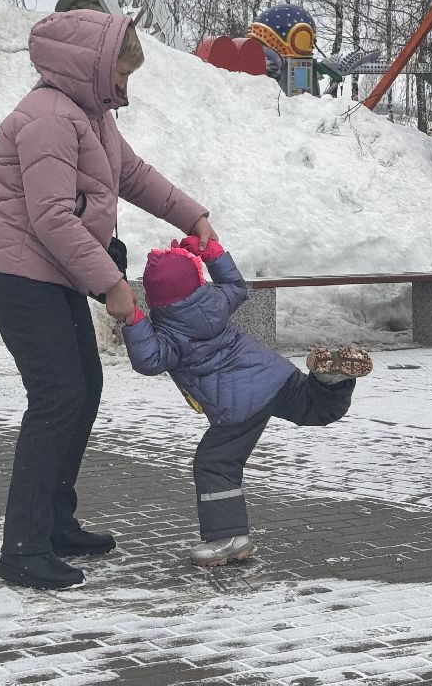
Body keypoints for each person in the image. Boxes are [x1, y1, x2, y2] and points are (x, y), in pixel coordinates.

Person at [0, 9, 217, 591]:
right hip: (16, 274)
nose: (126, 86)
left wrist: (193, 214)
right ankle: (23, 548)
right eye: (123, 74)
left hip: (48, 271)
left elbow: (131, 174)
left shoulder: (89, 114)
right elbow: (51, 218)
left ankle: (54, 523)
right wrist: (112, 283)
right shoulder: (47, 119)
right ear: (92, 66)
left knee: (83, 389)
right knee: (59, 397)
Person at [124, 236, 373, 565]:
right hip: (272, 375)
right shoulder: (216, 300)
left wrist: (133, 318)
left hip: (237, 406)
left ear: (155, 296)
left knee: (214, 464)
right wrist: (213, 253)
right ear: (198, 281)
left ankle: (227, 538)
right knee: (315, 409)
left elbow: (148, 360)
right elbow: (236, 284)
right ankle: (331, 381)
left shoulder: (169, 332)